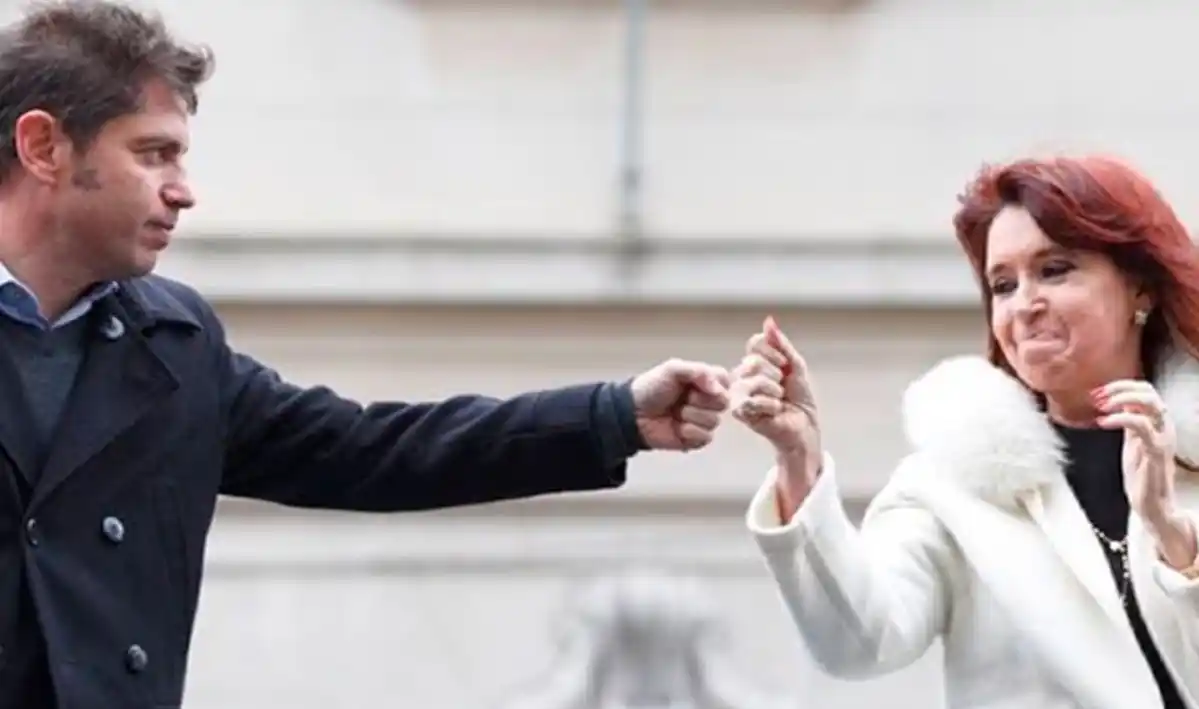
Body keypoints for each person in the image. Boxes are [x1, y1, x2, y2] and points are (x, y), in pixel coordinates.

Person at [0, 2, 732, 708]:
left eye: (179, 156)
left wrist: (614, 415)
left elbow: (370, 448)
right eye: (152, 154)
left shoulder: (175, 343)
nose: (182, 191)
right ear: (43, 148)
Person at [732, 156, 1199, 708]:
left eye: (1055, 270)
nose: (1025, 305)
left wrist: (1174, 541)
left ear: (1139, 289)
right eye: (1003, 285)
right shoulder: (953, 483)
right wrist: (797, 458)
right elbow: (856, 641)